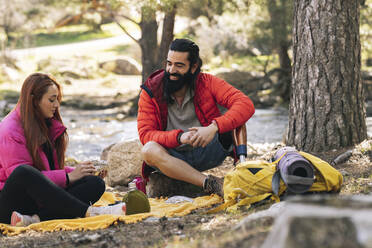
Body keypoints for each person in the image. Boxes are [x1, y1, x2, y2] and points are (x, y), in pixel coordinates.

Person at [0, 73, 126, 227]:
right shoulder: (9, 130)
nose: (56, 105)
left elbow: (51, 169)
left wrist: (82, 171)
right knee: (23, 171)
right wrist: (69, 177)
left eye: (57, 99)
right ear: (34, 101)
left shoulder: (44, 123)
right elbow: (24, 179)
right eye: (51, 100)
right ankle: (90, 212)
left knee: (95, 183)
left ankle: (35, 219)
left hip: (37, 202)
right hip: (12, 205)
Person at [138, 39, 255, 197]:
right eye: (169, 63)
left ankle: (242, 169)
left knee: (237, 119)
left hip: (208, 151)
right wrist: (179, 137)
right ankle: (210, 184)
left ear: (193, 68)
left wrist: (213, 128)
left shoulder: (207, 82)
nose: (171, 70)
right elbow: (146, 134)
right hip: (173, 158)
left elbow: (245, 104)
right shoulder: (151, 90)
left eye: (179, 65)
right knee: (148, 150)